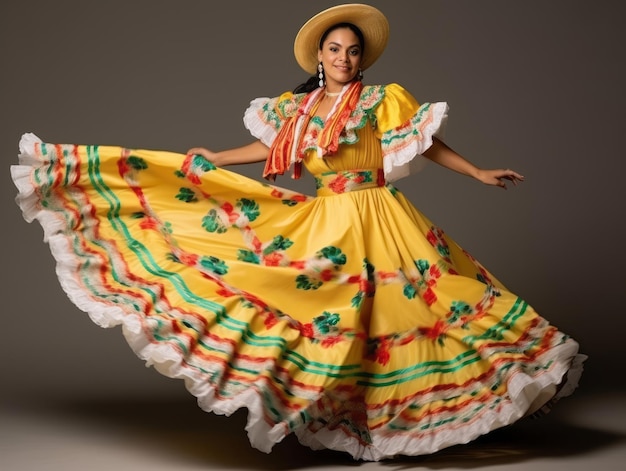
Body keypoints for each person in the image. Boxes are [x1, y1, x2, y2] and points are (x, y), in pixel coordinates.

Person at [12, 3, 584, 462]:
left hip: (381, 213)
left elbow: (425, 144)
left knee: (407, 310)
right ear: (319, 55)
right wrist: (218, 157)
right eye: (334, 49)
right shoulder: (297, 108)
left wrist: (478, 171)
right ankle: (338, 410)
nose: (343, 57)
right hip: (327, 217)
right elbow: (270, 150)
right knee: (325, 310)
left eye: (352, 51)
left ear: (361, 59)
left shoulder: (385, 100)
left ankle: (411, 415)